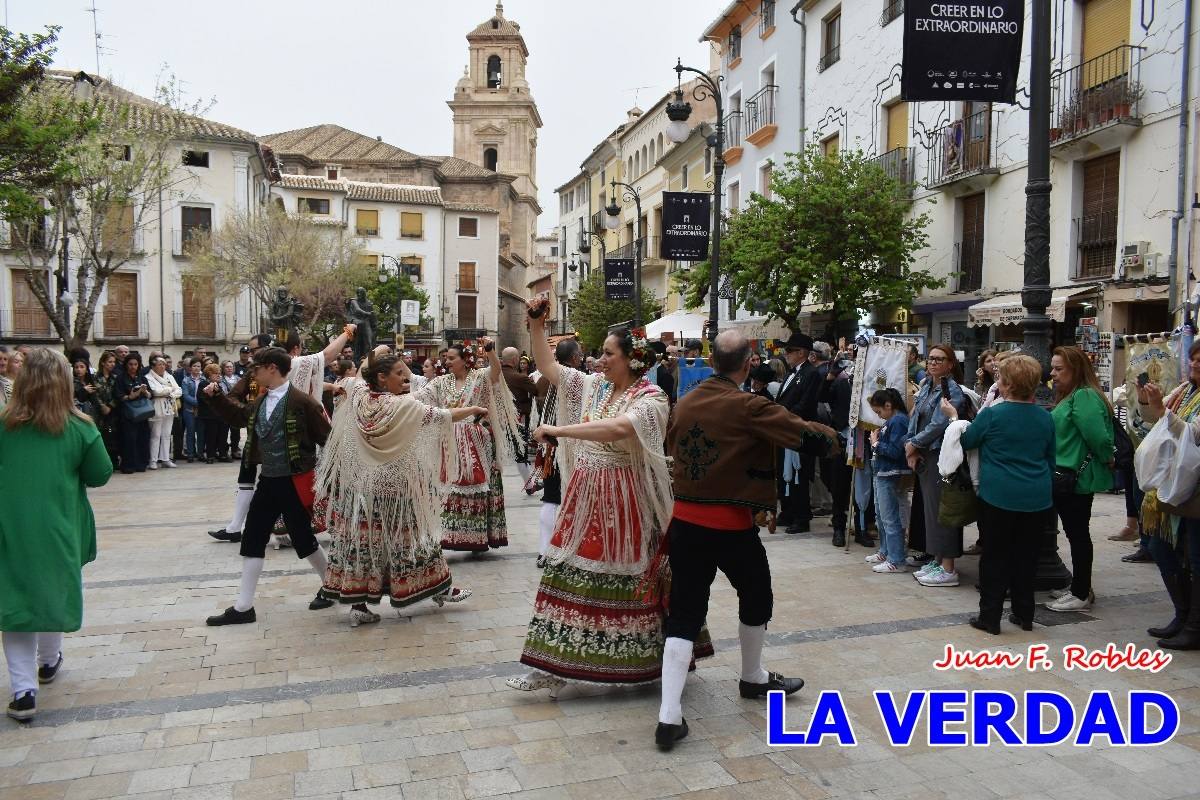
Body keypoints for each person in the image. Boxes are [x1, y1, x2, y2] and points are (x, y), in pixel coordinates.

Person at [508, 299, 712, 697]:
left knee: (630, 578)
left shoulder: (651, 397)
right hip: (584, 497)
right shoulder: (595, 386)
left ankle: (646, 662)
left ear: (632, 359)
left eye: (607, 353)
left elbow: (618, 429)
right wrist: (535, 325)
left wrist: (560, 432)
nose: (599, 360)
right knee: (565, 572)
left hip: (625, 504)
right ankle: (551, 664)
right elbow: (549, 367)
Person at [655, 331, 832, 750]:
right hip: (731, 525)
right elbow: (805, 436)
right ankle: (752, 677)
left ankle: (668, 716)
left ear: (713, 360)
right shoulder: (749, 405)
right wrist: (834, 436)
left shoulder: (687, 401)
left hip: (685, 523)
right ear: (749, 362)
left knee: (684, 612)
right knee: (756, 595)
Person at [316, 347, 482, 627]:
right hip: (398, 490)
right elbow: (441, 416)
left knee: (364, 546)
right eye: (398, 374)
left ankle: (358, 604)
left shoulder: (358, 396)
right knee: (416, 541)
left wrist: (370, 353)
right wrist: (475, 409)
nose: (404, 379)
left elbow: (351, 378)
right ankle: (440, 589)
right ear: (382, 378)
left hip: (363, 490)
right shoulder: (403, 406)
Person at [1, 349, 113, 721]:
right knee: (54, 588)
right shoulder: (81, 427)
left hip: (10, 524)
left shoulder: (4, 425)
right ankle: (48, 662)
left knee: (15, 600)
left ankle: (23, 691)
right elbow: (100, 474)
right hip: (60, 524)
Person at [203, 347, 333, 626]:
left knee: (302, 538)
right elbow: (239, 417)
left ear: (272, 368)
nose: (253, 373)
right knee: (253, 536)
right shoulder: (262, 401)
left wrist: (334, 479)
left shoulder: (304, 403)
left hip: (295, 482)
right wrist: (217, 399)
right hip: (269, 480)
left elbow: (329, 442)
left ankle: (331, 585)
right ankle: (243, 607)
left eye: (257, 368)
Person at [208, 326, 355, 545]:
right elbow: (325, 356)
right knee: (262, 486)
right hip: (273, 444)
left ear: (272, 367)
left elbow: (319, 368)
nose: (252, 363)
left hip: (286, 448)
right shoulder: (277, 379)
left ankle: (290, 530)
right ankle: (258, 530)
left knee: (294, 493)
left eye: (256, 352)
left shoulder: (294, 384)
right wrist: (347, 332)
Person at [944, 355, 1055, 633]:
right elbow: (1050, 457)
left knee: (995, 556)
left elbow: (968, 440)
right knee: (1026, 557)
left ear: (1005, 384)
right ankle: (1024, 613)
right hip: (1037, 496)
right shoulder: (1045, 417)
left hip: (999, 494)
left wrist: (955, 419)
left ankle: (990, 617)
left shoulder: (993, 415)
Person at [413, 340, 520, 553]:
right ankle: (450, 535)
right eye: (446, 358)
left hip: (475, 440)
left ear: (465, 360)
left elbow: (496, 371)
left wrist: (490, 351)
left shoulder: (479, 377)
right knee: (449, 486)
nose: (447, 361)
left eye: (452, 358)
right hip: (448, 441)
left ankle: (476, 538)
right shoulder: (441, 382)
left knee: (476, 486)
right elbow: (419, 398)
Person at [1134, 340, 1200, 649]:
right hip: (1173, 484)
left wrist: (1161, 410)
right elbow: (1154, 423)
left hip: (1195, 487)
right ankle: (1183, 614)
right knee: (1161, 547)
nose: (1196, 364)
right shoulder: (1185, 390)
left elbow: (1192, 433)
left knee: (1197, 557)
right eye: (1193, 358)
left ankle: (1195, 625)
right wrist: (1148, 400)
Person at [1044, 346, 1114, 613]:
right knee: (1076, 533)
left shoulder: (1084, 396)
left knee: (1078, 534)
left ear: (1076, 369)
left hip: (1075, 478)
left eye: (1059, 369)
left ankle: (1081, 592)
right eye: (1053, 368)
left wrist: (1107, 456)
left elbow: (1098, 437)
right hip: (1066, 475)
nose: (1053, 373)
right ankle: (1079, 587)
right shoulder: (1071, 395)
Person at [905, 344, 969, 587]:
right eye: (930, 359)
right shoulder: (926, 386)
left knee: (944, 511)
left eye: (939, 359)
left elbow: (938, 425)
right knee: (931, 511)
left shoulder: (951, 390)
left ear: (950, 364)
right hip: (924, 455)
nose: (932, 363)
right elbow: (915, 418)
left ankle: (948, 567)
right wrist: (910, 445)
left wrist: (914, 445)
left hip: (940, 456)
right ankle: (938, 559)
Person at [531, 338, 583, 567]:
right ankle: (563, 549)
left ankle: (544, 550)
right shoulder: (577, 379)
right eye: (579, 354)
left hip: (550, 445)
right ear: (573, 358)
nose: (581, 358)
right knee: (565, 499)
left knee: (551, 500)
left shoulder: (543, 378)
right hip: (569, 448)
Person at [776, 333, 820, 534]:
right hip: (783, 430)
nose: (786, 354)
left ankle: (801, 517)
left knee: (798, 474)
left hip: (798, 431)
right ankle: (787, 511)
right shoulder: (790, 373)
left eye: (789, 351)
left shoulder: (811, 373)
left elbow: (806, 404)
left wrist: (784, 416)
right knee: (784, 472)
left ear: (801, 352)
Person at [865, 388, 912, 573]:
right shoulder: (893, 420)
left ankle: (897, 559)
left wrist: (876, 443)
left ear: (888, 405)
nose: (879, 416)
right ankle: (885, 551)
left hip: (890, 473)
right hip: (883, 472)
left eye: (879, 412)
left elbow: (895, 451)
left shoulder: (899, 421)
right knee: (881, 516)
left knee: (890, 518)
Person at [501, 346, 538, 480]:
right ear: (515, 359)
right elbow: (536, 391)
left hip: (497, 419)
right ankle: (529, 484)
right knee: (521, 451)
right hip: (517, 418)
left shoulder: (495, 375)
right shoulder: (519, 377)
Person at [114, 354, 152, 473]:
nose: (133, 367)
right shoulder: (120, 378)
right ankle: (128, 465)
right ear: (126, 365)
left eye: (135, 364)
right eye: (130, 364)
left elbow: (150, 395)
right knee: (129, 439)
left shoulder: (142, 377)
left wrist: (145, 392)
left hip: (142, 413)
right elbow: (118, 396)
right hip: (128, 414)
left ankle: (141, 464)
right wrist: (131, 396)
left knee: (142, 438)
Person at [144, 357, 182, 469]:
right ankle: (153, 460)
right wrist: (170, 389)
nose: (162, 366)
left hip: (169, 406)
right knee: (155, 435)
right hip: (156, 407)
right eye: (159, 364)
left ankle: (165, 459)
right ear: (153, 366)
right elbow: (155, 391)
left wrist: (170, 393)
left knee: (166, 434)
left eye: (164, 364)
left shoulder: (169, 376)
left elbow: (179, 390)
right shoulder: (148, 377)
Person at [93, 351, 120, 467]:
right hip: (99, 413)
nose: (112, 364)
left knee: (113, 437)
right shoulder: (95, 377)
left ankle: (114, 461)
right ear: (103, 363)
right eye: (110, 362)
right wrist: (102, 406)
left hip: (113, 412)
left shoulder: (116, 377)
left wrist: (110, 406)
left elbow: (118, 394)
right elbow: (94, 394)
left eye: (114, 362)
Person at [199, 363, 229, 463]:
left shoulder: (219, 385)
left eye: (219, 373)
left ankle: (223, 454)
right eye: (216, 373)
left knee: (223, 435)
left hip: (221, 415)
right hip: (210, 415)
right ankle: (210, 456)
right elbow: (204, 399)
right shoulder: (203, 384)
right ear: (209, 374)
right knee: (211, 436)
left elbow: (222, 399)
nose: (218, 375)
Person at [181, 359, 204, 462]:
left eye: (198, 366)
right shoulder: (185, 380)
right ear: (190, 368)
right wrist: (198, 403)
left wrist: (201, 405)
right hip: (189, 409)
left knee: (201, 432)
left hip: (201, 411)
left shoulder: (204, 379)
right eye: (194, 366)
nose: (196, 368)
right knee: (190, 432)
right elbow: (185, 395)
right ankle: (190, 454)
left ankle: (200, 453)